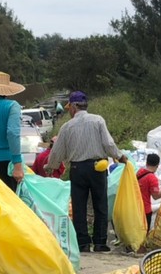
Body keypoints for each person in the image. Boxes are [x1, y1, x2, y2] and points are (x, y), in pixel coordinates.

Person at [45, 91, 126, 253]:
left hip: (77, 169)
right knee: (100, 205)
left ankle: (82, 244)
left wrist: (50, 166)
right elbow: (108, 144)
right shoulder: (98, 121)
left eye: (69, 108)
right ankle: (100, 242)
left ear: (74, 107)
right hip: (98, 168)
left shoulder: (67, 127)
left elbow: (58, 152)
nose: (69, 111)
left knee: (79, 206)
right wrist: (120, 156)